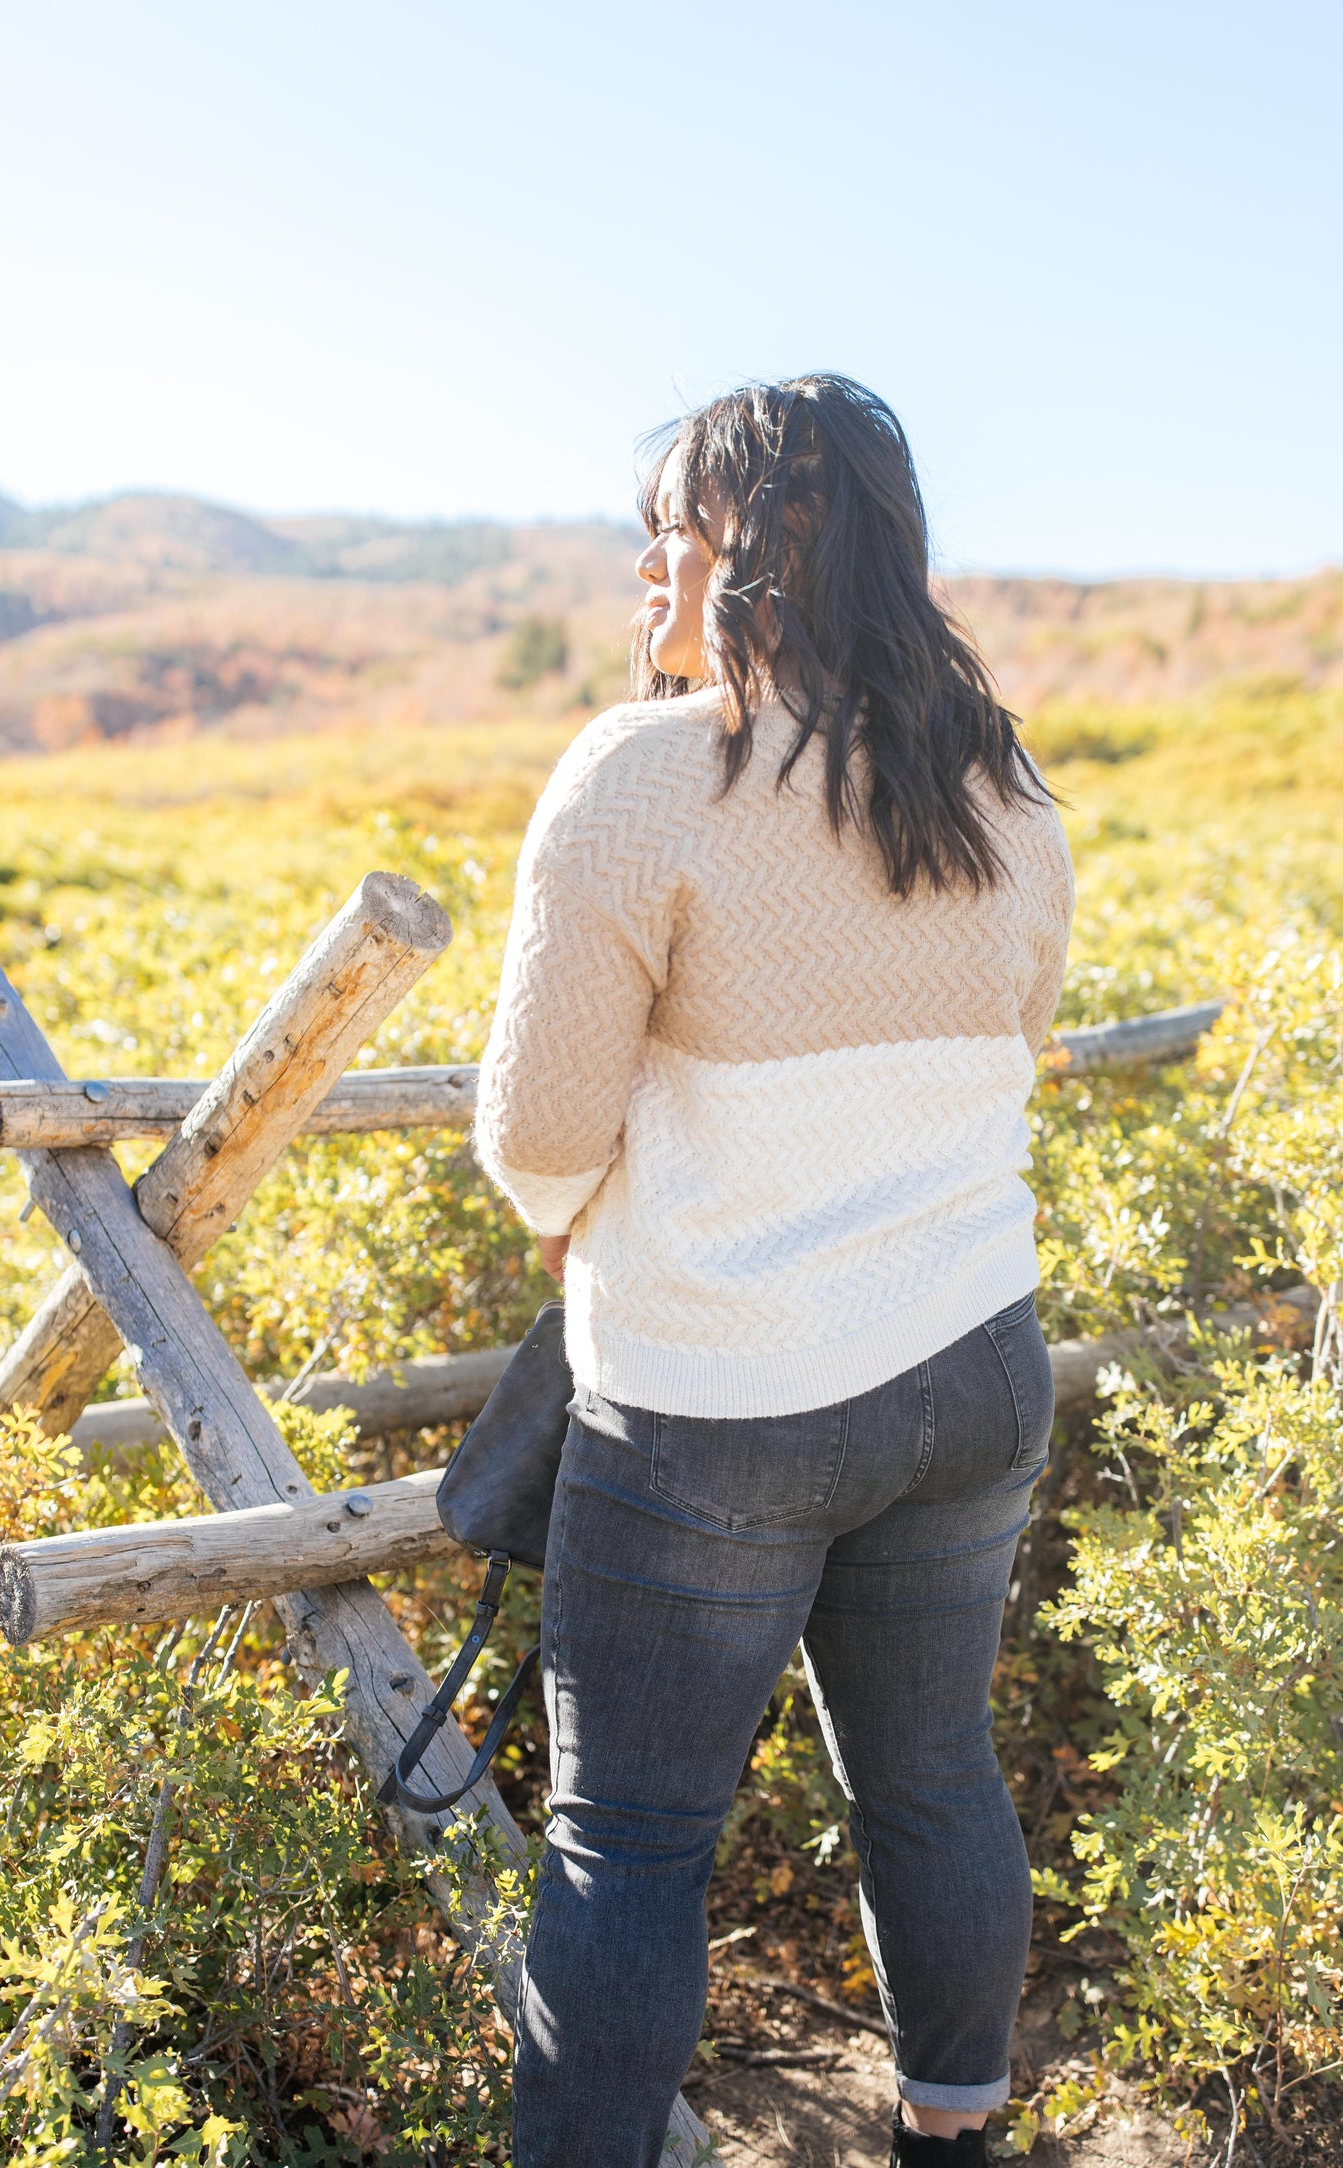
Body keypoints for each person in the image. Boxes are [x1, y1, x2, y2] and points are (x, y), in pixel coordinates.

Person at [474, 374, 1073, 2168]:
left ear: (770, 554)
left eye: (677, 528)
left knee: (631, 1841)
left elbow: (535, 1147)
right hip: (973, 1364)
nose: (645, 568)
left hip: (720, 1402)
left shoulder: (645, 773)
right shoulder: (1001, 785)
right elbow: (1005, 1045)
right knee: (934, 1773)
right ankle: (952, 2133)